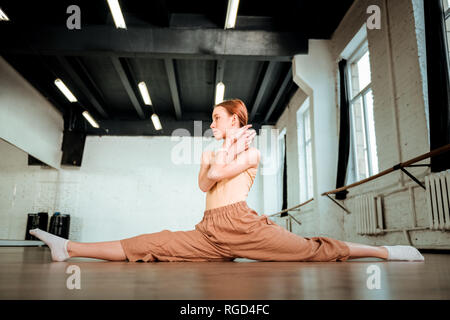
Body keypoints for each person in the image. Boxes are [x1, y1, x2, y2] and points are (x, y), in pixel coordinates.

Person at [29, 99, 424, 263]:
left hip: (242, 224)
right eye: (213, 119)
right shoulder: (208, 152)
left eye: (219, 118)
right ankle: (68, 247)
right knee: (153, 242)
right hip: (210, 231)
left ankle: (387, 253)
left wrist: (233, 148)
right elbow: (205, 185)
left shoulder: (251, 152)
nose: (212, 122)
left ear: (236, 119)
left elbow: (218, 176)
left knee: (309, 250)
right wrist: (221, 152)